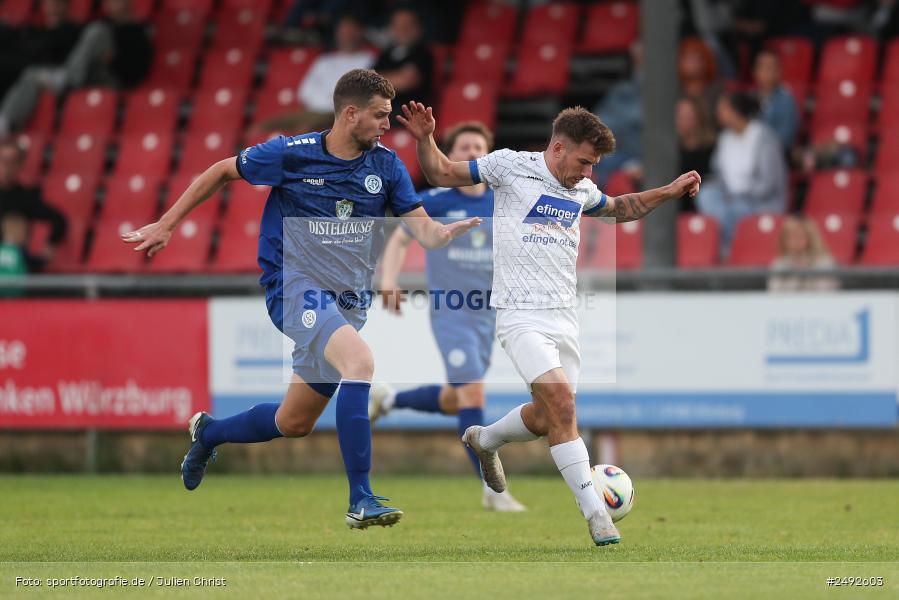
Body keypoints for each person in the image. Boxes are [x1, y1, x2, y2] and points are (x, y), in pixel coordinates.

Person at [122, 69, 481, 530]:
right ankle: (361, 498)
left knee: (294, 421)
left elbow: (425, 232)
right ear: (350, 113)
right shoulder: (291, 154)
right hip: (292, 286)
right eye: (378, 116)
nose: (385, 126)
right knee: (360, 362)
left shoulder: (387, 166)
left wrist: (441, 233)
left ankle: (209, 432)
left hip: (347, 300)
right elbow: (221, 170)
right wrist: (167, 224)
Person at [397, 101, 700, 546]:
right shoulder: (508, 167)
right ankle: (597, 516)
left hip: (564, 318)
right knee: (564, 405)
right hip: (520, 315)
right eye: (583, 162)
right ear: (558, 148)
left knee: (547, 418)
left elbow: (621, 206)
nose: (587, 172)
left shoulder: (581, 189)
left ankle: (485, 440)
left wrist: (668, 191)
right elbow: (442, 173)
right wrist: (424, 139)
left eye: (593, 165)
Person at [370, 121, 526, 512]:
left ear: (488, 157)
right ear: (450, 156)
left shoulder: (503, 200)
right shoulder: (437, 198)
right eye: (463, 147)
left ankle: (390, 399)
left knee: (459, 398)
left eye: (479, 147)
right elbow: (403, 236)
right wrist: (388, 279)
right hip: (451, 310)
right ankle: (493, 490)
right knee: (473, 392)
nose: (471, 153)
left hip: (489, 314)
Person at [0, 0, 152, 137]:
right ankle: (5, 122)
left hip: (113, 78)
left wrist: (113, 61)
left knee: (97, 30)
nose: (110, 4)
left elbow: (135, 71)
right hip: (87, 74)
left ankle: (67, 79)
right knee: (31, 73)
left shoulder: (137, 31)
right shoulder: (102, 23)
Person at [252, 15, 375, 136]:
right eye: (343, 31)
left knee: (306, 129)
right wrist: (324, 99)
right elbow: (305, 90)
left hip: (340, 113)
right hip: (312, 111)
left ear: (360, 32)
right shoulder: (325, 60)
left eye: (351, 31)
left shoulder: (369, 60)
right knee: (264, 126)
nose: (346, 35)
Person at [697, 92, 787, 256]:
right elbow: (718, 174)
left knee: (735, 209)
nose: (718, 113)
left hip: (759, 202)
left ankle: (730, 251)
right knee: (706, 195)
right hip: (729, 199)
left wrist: (738, 195)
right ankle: (729, 248)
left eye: (723, 109)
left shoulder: (764, 137)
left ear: (736, 111)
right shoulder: (724, 138)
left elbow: (768, 184)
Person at [0, 139, 67, 270]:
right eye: (2, 160)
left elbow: (59, 220)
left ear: (20, 164)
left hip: (13, 266)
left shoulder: (24, 197)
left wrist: (49, 246)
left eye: (11, 162)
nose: (5, 166)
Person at [372, 7, 433, 123]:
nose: (403, 30)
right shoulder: (385, 55)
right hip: (381, 112)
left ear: (418, 28)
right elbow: (366, 83)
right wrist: (394, 78)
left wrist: (380, 79)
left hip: (409, 115)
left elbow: (406, 81)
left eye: (408, 25)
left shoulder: (423, 53)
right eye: (398, 26)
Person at [768, 216, 839, 292]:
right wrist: (796, 274)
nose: (794, 240)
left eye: (799, 236)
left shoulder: (824, 262)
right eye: (789, 237)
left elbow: (824, 293)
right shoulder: (779, 264)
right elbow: (775, 294)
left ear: (810, 238)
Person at [676, 95, 717, 213]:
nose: (681, 120)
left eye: (687, 116)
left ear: (699, 118)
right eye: (679, 116)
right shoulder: (672, 151)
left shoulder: (711, 149)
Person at [752, 49, 798, 150]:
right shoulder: (749, 97)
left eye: (769, 68)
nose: (765, 72)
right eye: (761, 67)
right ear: (755, 71)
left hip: (774, 156)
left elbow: (785, 140)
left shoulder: (786, 101)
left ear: (778, 72)